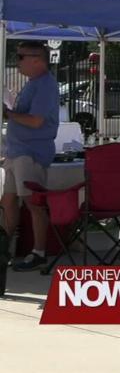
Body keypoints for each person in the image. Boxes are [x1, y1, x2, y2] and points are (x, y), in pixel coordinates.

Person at [3, 42, 60, 271]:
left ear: (37, 59)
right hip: (16, 152)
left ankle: (38, 252)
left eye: (21, 57)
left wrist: (8, 114)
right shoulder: (32, 84)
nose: (17, 61)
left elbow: (36, 121)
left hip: (31, 153)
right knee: (7, 201)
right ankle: (5, 248)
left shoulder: (45, 85)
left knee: (32, 203)